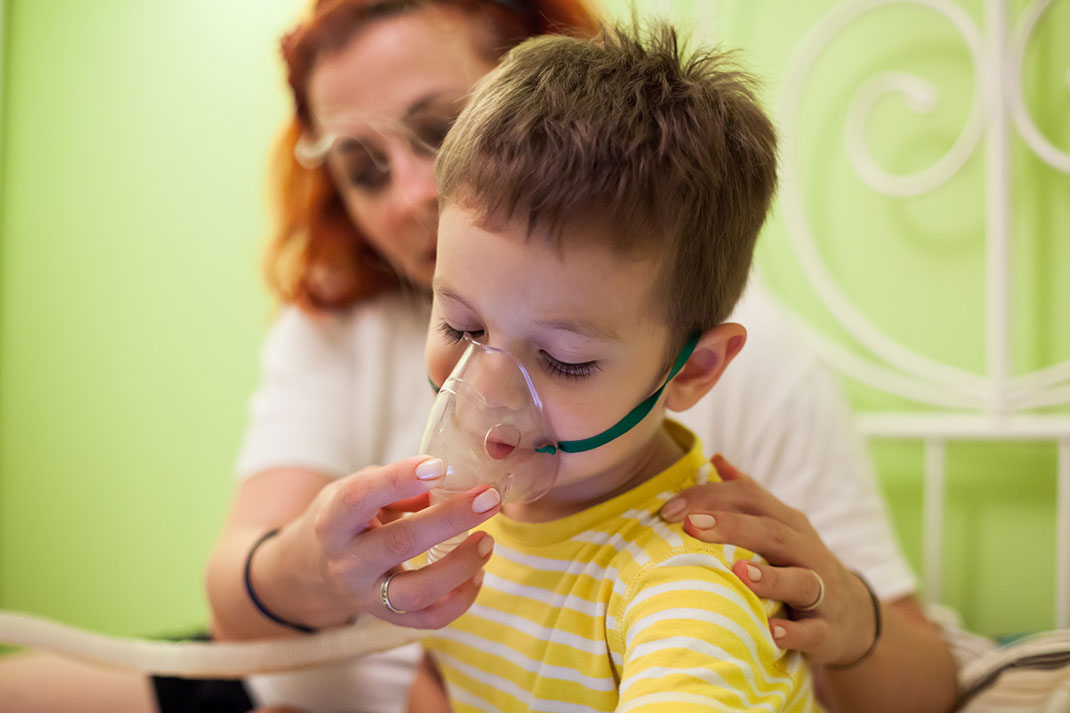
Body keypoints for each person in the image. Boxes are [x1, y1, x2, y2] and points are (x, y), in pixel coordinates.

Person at [0, 1, 958, 712]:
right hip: (282, 682)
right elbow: (249, 616)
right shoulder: (339, 329)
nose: (410, 191)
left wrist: (851, 613)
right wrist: (313, 563)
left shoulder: (687, 563)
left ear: (694, 372)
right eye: (363, 163)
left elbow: (920, 674)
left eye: (434, 128)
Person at [412, 20, 822, 710]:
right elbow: (442, 680)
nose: (485, 395)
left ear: (693, 370)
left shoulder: (684, 592)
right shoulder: (466, 517)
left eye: (562, 360)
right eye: (461, 324)